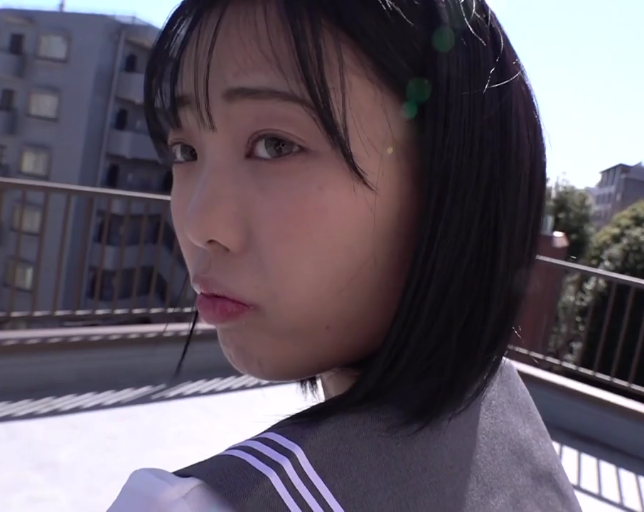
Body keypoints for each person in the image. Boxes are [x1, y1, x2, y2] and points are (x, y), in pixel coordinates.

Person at [109, 0, 581, 510]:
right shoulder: (510, 424)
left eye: (275, 145)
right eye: (185, 151)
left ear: (454, 184)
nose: (200, 224)